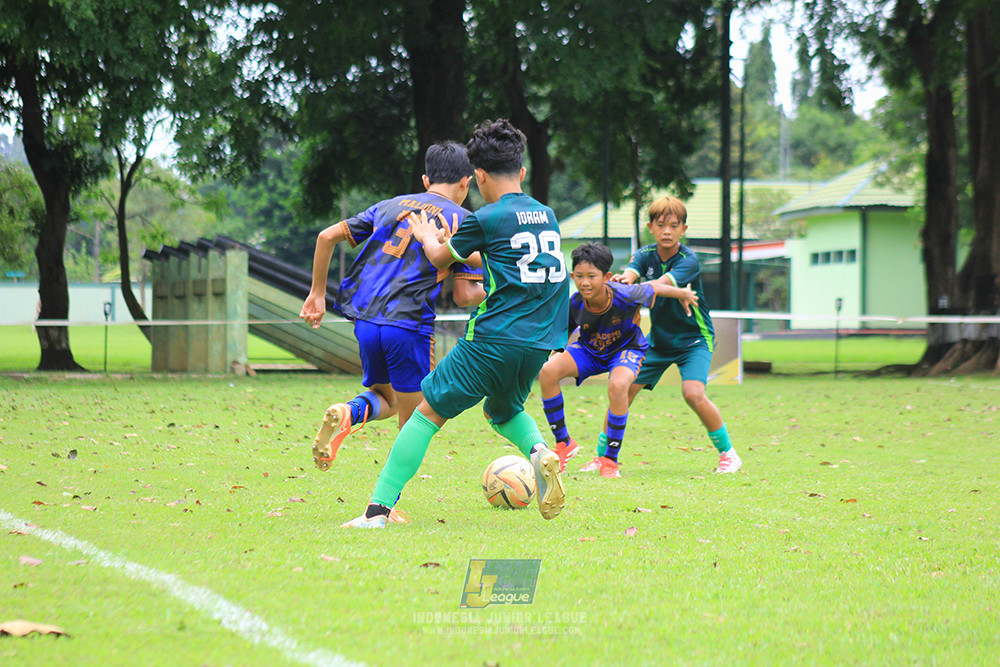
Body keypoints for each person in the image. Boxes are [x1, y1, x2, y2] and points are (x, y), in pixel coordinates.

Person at [342, 118, 570, 528]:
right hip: (539, 341)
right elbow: (516, 264)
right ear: (521, 172)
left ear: (478, 176)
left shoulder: (486, 218)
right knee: (502, 411)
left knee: (424, 415)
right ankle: (539, 452)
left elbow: (437, 258)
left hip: (493, 339)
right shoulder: (547, 215)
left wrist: (428, 235)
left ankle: (376, 512)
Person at [299, 141, 486, 472]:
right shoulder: (463, 221)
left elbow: (326, 237)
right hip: (408, 324)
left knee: (387, 398)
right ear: (465, 182)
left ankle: (347, 412)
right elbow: (465, 296)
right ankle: (388, 498)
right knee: (415, 423)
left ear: (426, 180)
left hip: (366, 320)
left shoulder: (390, 206)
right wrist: (498, 290)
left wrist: (316, 294)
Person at [538, 242, 698, 478]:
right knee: (547, 372)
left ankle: (609, 460)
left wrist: (683, 293)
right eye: (579, 276)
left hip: (626, 349)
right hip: (590, 350)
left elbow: (653, 288)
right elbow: (563, 335)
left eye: (592, 276)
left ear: (607, 277)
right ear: (572, 277)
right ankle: (564, 444)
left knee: (618, 384)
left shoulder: (625, 293)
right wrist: (553, 358)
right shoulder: (575, 303)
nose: (585, 282)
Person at [613, 196, 741, 474]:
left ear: (684, 229)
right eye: (661, 225)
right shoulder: (644, 255)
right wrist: (619, 282)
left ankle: (729, 454)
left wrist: (632, 289)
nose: (667, 231)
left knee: (693, 393)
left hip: (694, 341)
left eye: (674, 225)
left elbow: (659, 285)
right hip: (658, 342)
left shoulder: (688, 260)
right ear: (650, 227)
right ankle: (605, 459)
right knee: (622, 390)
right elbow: (630, 276)